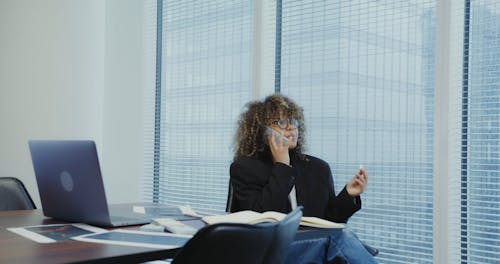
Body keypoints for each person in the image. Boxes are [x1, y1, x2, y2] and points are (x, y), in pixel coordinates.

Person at [229, 94, 377, 264]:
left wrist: (348, 195)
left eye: (293, 121)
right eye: (281, 122)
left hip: (311, 250)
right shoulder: (244, 168)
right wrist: (282, 165)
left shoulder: (318, 168)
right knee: (341, 238)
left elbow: (327, 223)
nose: (290, 127)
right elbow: (262, 217)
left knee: (338, 237)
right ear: (262, 131)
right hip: (268, 251)